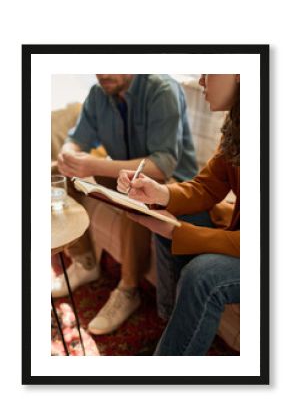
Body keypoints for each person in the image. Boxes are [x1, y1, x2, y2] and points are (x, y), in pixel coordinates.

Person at [53, 74, 198, 335]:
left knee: (137, 193)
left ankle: (128, 290)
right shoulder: (99, 93)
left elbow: (161, 167)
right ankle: (85, 262)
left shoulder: (162, 90)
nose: (103, 73)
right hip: (124, 172)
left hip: (172, 182)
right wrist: (69, 153)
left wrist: (92, 165)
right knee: (58, 175)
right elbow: (78, 138)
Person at [117, 74, 240, 355]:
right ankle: (172, 328)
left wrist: (175, 231)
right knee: (165, 212)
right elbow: (208, 186)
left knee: (203, 275)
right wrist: (162, 194)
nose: (200, 80)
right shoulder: (237, 122)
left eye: (209, 71)